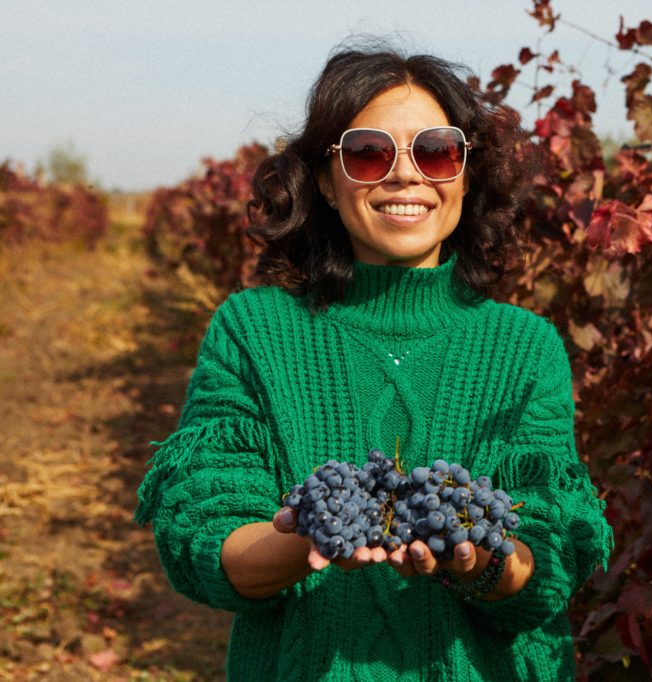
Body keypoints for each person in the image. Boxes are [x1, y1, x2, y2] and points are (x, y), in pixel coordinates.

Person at [135, 47, 612, 681]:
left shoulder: (525, 347)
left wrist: (477, 560)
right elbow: (202, 538)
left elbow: (549, 565)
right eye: (369, 153)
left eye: (436, 151)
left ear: (467, 176)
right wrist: (311, 538)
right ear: (326, 182)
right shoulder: (254, 331)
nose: (406, 176)